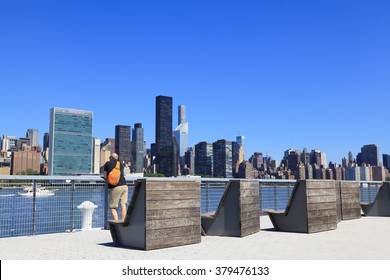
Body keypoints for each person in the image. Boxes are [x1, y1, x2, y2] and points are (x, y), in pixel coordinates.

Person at [103, 153, 128, 220]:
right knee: (123, 204)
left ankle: (116, 223)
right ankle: (123, 222)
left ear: (111, 158)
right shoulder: (120, 164)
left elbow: (105, 176)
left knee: (112, 207)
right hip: (124, 186)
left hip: (115, 187)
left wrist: (106, 178)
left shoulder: (107, 164)